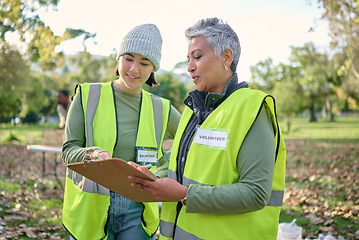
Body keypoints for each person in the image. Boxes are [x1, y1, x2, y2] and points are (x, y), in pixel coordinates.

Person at [129, 17, 286, 240]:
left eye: (198, 57)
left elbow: (256, 193)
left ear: (227, 57)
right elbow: (184, 168)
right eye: (188, 59)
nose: (190, 67)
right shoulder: (191, 110)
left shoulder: (253, 109)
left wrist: (184, 195)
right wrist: (152, 178)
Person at [61, 23, 181, 240]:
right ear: (118, 58)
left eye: (144, 63)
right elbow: (69, 150)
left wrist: (160, 174)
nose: (134, 69)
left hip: (139, 211)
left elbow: (190, 146)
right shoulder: (87, 96)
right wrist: (93, 154)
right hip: (90, 211)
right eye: (128, 58)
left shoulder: (162, 108)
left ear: (153, 68)